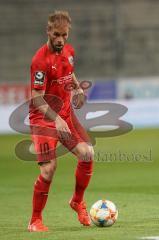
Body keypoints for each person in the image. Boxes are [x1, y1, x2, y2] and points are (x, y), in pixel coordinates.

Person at [28, 11, 94, 232]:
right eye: (56, 34)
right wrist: (56, 120)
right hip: (44, 119)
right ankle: (35, 220)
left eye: (64, 35)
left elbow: (69, 72)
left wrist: (76, 88)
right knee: (49, 169)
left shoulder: (69, 51)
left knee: (87, 154)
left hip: (65, 115)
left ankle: (77, 201)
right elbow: (36, 97)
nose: (60, 40)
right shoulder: (40, 60)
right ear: (48, 31)